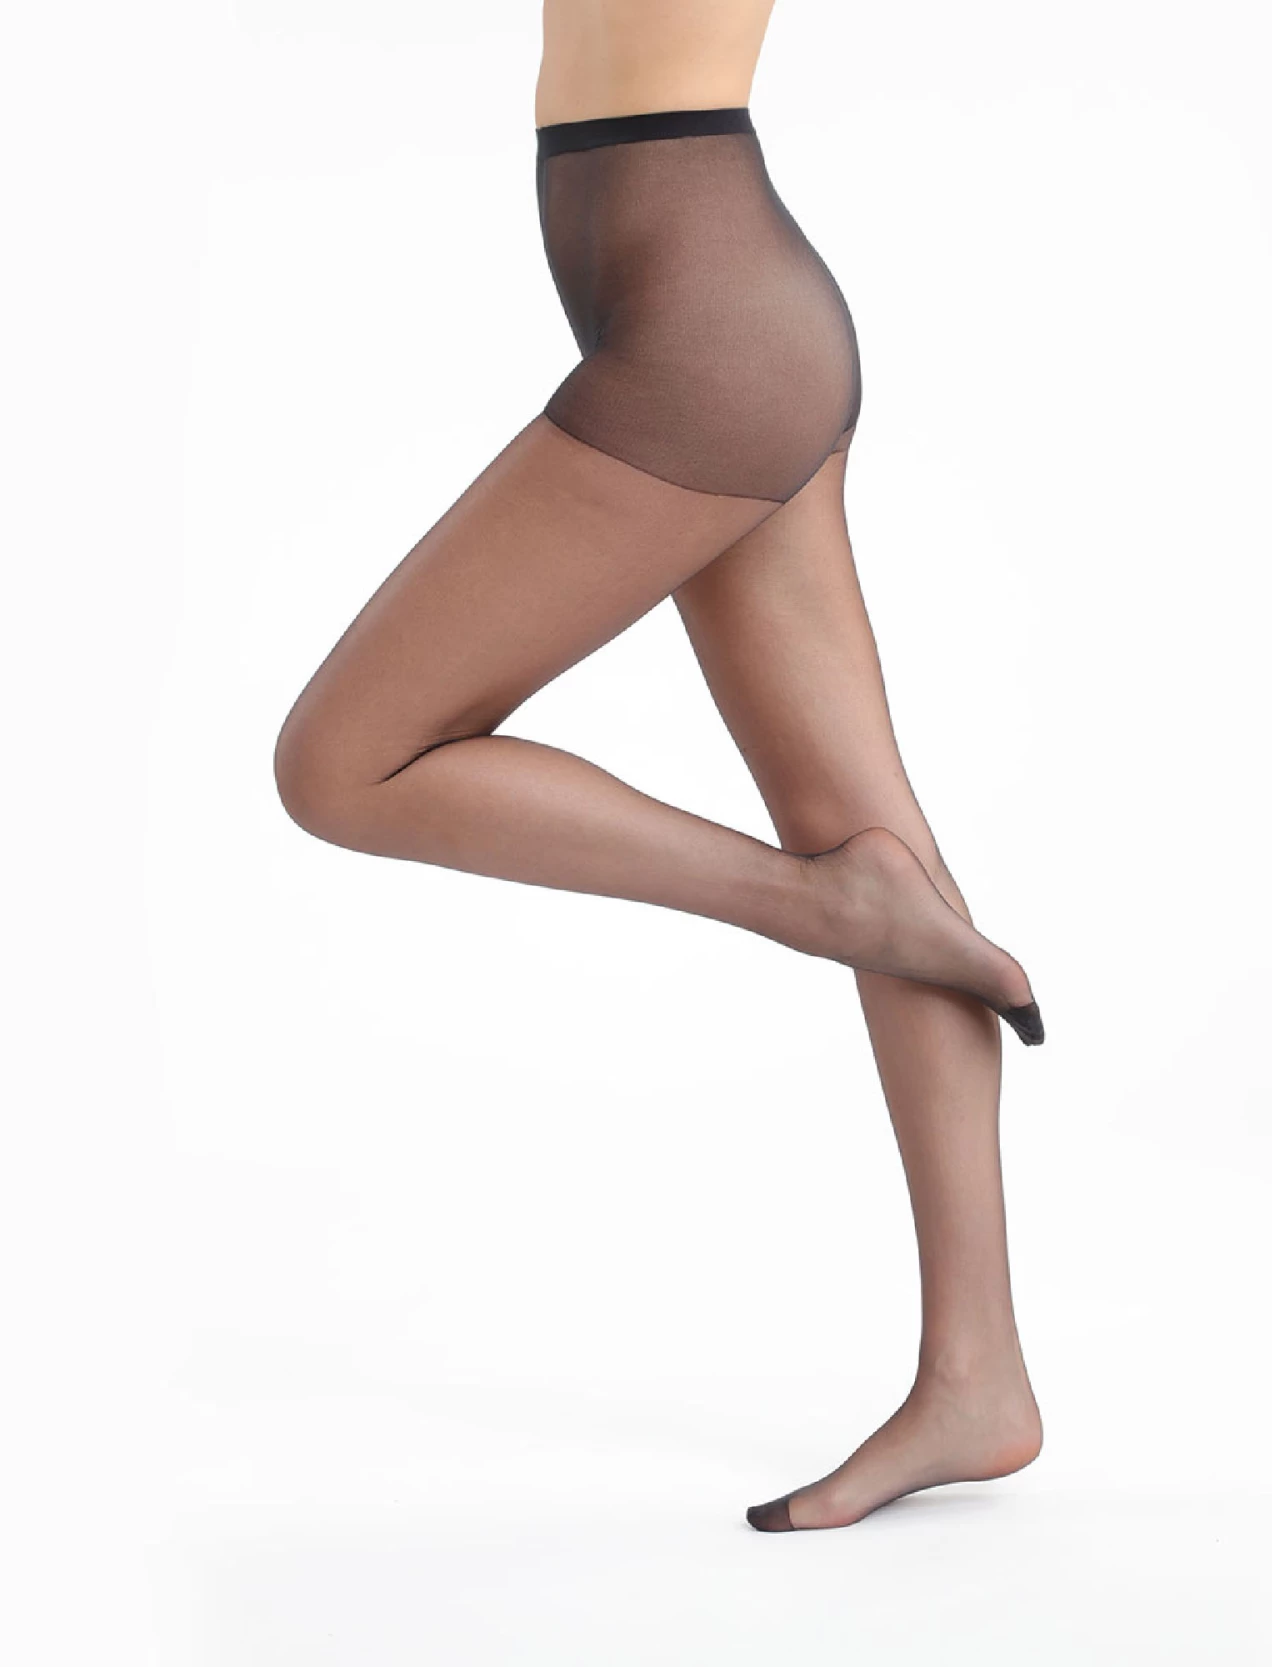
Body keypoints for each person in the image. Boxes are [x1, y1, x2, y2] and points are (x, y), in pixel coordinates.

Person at [274, 0, 1045, 1532]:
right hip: (700, 312)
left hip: (710, 334)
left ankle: (819, 903)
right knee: (870, 831)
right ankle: (980, 1376)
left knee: (341, 760)